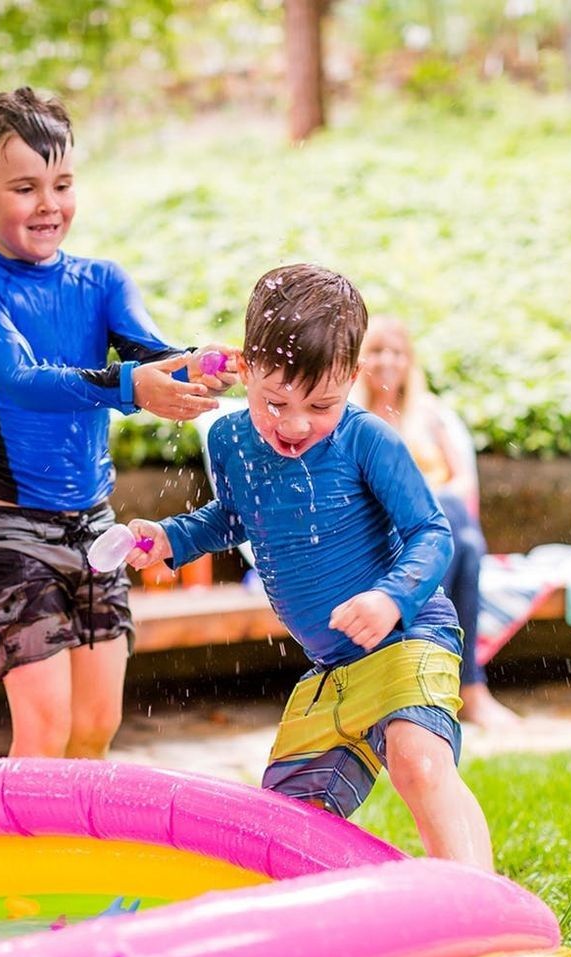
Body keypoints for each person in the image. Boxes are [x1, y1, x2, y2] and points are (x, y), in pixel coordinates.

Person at [124, 264, 493, 871]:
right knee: (284, 822)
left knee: (418, 762)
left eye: (322, 404)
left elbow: (431, 533)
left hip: (408, 637)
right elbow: (235, 517)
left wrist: (390, 597)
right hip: (334, 668)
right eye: (275, 402)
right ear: (245, 368)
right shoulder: (231, 443)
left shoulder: (367, 439)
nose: (294, 425)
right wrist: (168, 537)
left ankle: (480, 914)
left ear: (352, 378)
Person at [0, 86, 235, 759]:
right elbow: (22, 381)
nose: (49, 204)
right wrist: (135, 386)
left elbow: (151, 354)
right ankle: (14, 863)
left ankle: (65, 861)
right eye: (24, 187)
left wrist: (208, 365)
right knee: (44, 732)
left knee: (93, 729)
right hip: (11, 532)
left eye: (62, 183)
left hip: (95, 529)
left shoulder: (101, 281)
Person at [355, 315, 521, 730]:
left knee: (458, 531)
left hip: (439, 524)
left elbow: (462, 477)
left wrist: (429, 500)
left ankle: (424, 677)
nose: (387, 361)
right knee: (463, 542)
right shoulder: (354, 419)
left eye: (397, 352)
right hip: (391, 530)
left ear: (410, 361)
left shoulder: (430, 416)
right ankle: (470, 690)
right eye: (377, 351)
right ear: (361, 360)